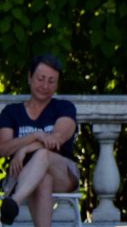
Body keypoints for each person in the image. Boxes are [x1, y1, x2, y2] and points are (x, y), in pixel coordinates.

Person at [0, 54, 78, 227]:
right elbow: (3, 149)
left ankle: (13, 202)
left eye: (51, 81)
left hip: (63, 174)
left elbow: (56, 141)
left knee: (44, 154)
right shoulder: (11, 112)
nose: (45, 86)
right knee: (43, 179)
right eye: (41, 79)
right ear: (29, 77)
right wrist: (34, 136)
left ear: (57, 84)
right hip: (19, 176)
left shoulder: (64, 108)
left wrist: (24, 150)